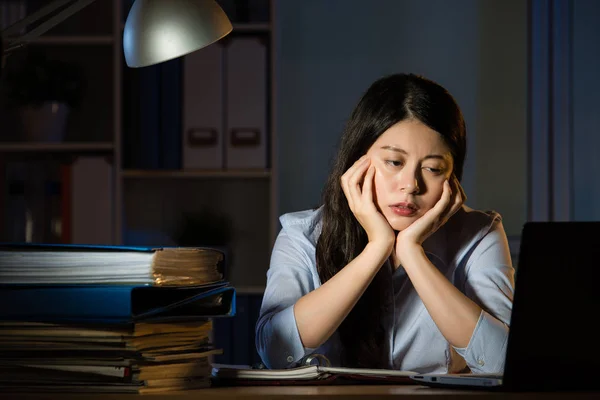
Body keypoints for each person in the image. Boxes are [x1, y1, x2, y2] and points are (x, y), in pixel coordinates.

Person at [255, 73, 515, 374]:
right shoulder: (302, 235)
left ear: (452, 177)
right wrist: (377, 248)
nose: (410, 185)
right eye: (394, 162)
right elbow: (276, 352)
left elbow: (504, 364)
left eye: (433, 168)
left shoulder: (479, 235)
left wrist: (412, 253)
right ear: (358, 160)